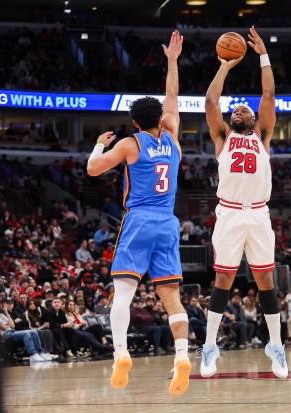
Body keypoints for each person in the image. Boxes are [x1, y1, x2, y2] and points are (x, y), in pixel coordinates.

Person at [85, 30, 190, 396]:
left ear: (134, 123)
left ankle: (120, 354)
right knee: (172, 297)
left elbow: (93, 170)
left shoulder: (131, 143)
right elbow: (173, 97)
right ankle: (181, 356)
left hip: (139, 220)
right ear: (161, 119)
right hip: (168, 222)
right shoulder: (173, 137)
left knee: (123, 293)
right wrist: (173, 61)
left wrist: (97, 146)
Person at [199, 26, 288, 380]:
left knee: (266, 281)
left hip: (259, 215)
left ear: (252, 119)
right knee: (224, 279)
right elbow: (210, 103)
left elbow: (268, 92)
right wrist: (225, 65)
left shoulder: (263, 135)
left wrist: (263, 55)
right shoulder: (222, 137)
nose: (238, 110)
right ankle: (209, 347)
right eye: (234, 109)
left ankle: (276, 346)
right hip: (231, 214)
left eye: (242, 109)